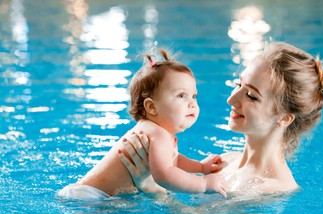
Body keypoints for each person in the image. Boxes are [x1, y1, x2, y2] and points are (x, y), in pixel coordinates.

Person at [118, 42, 323, 196]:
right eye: (239, 85)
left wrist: (151, 189)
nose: (231, 99)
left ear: (285, 118)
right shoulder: (223, 161)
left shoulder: (271, 188)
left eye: (251, 95)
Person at [57, 49, 227, 199]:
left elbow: (172, 160)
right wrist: (203, 183)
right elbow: (165, 174)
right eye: (181, 95)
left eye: (194, 96)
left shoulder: (156, 132)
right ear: (151, 107)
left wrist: (200, 166)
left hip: (85, 192)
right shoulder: (158, 134)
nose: (192, 104)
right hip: (90, 197)